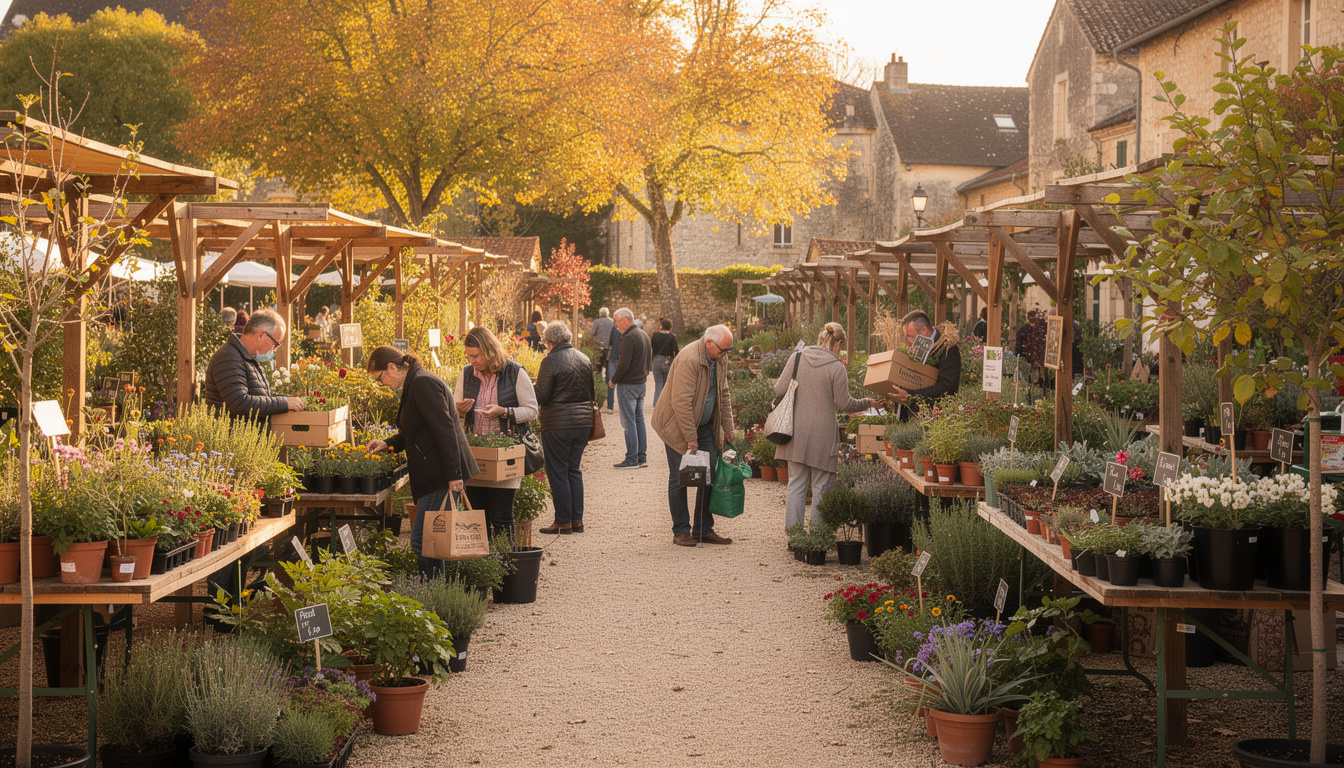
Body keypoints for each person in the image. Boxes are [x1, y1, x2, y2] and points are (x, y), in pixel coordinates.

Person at [364, 346, 477, 578]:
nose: (381, 384)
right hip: (436, 472)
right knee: (432, 542)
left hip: (440, 476)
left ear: (392, 367)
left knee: (424, 541)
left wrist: (454, 475)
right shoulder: (415, 381)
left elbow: (444, 430)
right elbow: (417, 431)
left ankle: (433, 600)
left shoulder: (422, 383)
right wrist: (388, 443)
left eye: (380, 378)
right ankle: (436, 597)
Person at [775, 323, 879, 529]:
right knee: (822, 486)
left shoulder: (796, 358)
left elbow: (779, 389)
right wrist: (868, 402)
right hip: (823, 433)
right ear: (839, 342)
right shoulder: (836, 367)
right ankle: (817, 536)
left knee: (796, 484)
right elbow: (845, 404)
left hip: (795, 430)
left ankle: (794, 537)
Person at [651, 324, 736, 547]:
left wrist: (728, 426)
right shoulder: (689, 359)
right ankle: (681, 530)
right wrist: (690, 437)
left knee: (709, 475)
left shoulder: (719, 358)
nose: (725, 354)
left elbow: (723, 393)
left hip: (703, 425)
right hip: (676, 425)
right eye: (722, 350)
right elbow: (681, 403)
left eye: (728, 350)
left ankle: (702, 528)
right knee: (680, 477)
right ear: (709, 342)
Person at [454, 326, 540, 538]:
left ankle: (505, 566)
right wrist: (459, 409)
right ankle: (482, 565)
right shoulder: (466, 374)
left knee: (502, 516)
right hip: (477, 455)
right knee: (477, 517)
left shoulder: (515, 372)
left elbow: (532, 411)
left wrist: (505, 412)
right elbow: (452, 409)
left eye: (475, 355)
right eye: (468, 356)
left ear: (490, 350)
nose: (472, 360)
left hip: (505, 454)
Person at [534, 321, 594, 534]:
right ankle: (576, 520)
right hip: (584, 422)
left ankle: (562, 521)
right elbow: (591, 393)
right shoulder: (584, 358)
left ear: (549, 342)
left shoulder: (550, 361)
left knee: (557, 471)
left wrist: (529, 387)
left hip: (558, 423)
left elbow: (542, 395)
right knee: (573, 470)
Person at [202, 309, 304, 419]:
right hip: (233, 434)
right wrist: (284, 403)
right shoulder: (228, 357)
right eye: (275, 344)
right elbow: (240, 403)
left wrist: (291, 400)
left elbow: (264, 396)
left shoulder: (247, 357)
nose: (274, 350)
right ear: (261, 335)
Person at [889, 310, 962, 411]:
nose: (907, 342)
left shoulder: (947, 348)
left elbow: (947, 387)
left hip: (935, 416)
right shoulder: (913, 349)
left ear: (923, 331)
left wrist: (911, 395)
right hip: (912, 416)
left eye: (909, 336)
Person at [609, 308, 651, 469]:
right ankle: (641, 457)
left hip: (628, 385)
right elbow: (648, 361)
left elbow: (624, 364)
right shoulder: (643, 335)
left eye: (617, 321)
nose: (616, 324)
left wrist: (613, 380)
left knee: (629, 422)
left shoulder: (628, 337)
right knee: (639, 420)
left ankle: (632, 458)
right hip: (641, 383)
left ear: (625, 320)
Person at [649, 318, 679, 406]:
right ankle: (664, 404)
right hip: (667, 361)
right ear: (670, 327)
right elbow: (676, 351)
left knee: (658, 383)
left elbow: (652, 348)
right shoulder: (672, 337)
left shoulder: (655, 335)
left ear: (661, 326)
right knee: (666, 384)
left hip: (656, 360)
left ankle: (656, 403)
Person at [605, 316, 622, 413]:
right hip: (620, 358)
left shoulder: (614, 329)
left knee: (611, 381)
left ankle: (610, 406)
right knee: (621, 383)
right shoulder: (627, 331)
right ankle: (622, 406)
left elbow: (610, 342)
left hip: (613, 357)